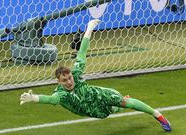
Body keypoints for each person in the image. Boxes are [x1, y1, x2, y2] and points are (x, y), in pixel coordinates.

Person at [20, 19, 171, 132]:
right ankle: (118, 106)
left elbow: (82, 52)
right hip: (95, 111)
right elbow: (51, 99)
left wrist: (89, 28)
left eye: (69, 78)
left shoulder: (77, 74)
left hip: (99, 95)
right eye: (64, 80)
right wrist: (34, 98)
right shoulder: (61, 95)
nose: (69, 81)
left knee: (123, 102)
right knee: (111, 110)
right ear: (59, 82)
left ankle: (158, 115)